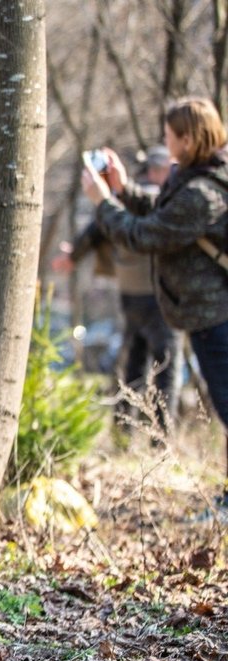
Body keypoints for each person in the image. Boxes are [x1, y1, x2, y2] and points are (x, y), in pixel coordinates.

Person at [81, 96, 228, 510]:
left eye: (169, 135)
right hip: (205, 313)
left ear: (187, 137)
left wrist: (101, 203)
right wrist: (122, 188)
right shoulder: (199, 177)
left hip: (216, 316)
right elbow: (161, 213)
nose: (164, 141)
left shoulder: (203, 191)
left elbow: (146, 236)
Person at [54, 146, 180, 437]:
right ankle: (162, 441)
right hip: (161, 295)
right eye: (169, 168)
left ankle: (123, 432)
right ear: (157, 170)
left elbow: (97, 227)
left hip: (129, 294)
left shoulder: (123, 198)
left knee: (133, 363)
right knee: (166, 368)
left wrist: (72, 256)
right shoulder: (157, 199)